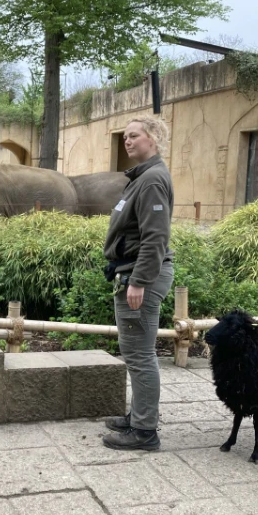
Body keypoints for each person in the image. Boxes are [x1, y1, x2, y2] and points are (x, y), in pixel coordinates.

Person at [101, 117, 174, 451]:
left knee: (141, 355)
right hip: (132, 273)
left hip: (140, 276)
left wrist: (140, 281)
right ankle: (139, 416)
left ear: (153, 138)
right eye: (125, 137)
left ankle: (144, 432)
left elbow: (155, 237)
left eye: (134, 136)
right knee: (134, 352)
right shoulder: (142, 177)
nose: (127, 141)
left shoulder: (152, 179)